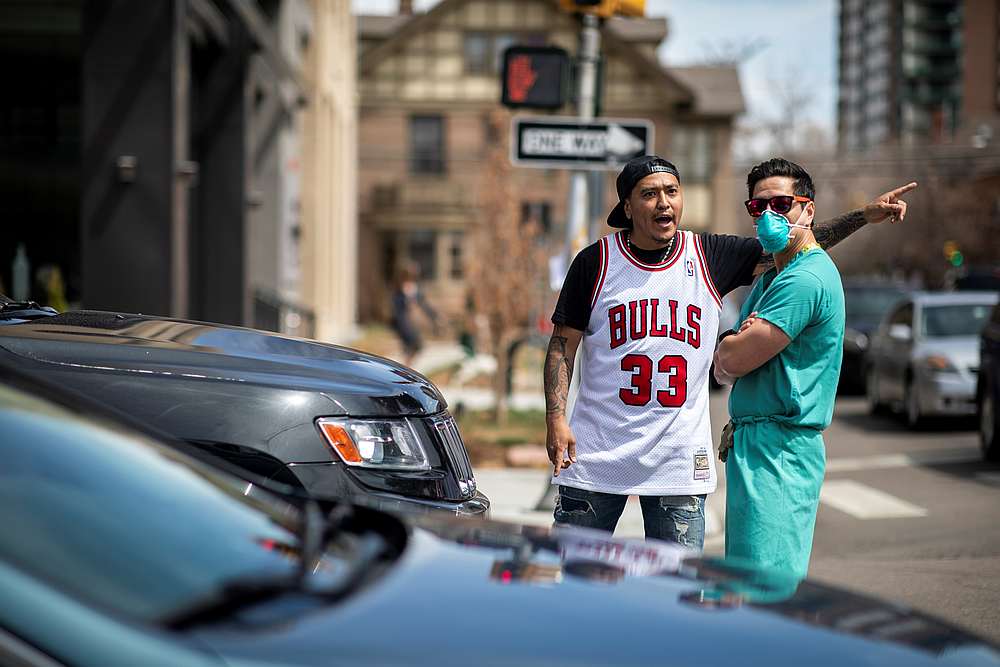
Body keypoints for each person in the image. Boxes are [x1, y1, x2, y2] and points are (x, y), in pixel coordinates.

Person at [544, 154, 915, 549]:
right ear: (628, 207)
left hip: (677, 462)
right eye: (649, 195)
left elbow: (798, 237)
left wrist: (864, 215)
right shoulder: (596, 262)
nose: (664, 203)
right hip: (598, 456)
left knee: (676, 595)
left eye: (672, 191)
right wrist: (555, 418)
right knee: (572, 584)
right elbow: (561, 347)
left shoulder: (708, 255)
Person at [713, 158, 914, 578]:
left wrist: (731, 345)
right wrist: (733, 344)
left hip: (779, 453)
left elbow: (731, 360)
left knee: (764, 593)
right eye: (758, 207)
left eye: (781, 204)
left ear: (808, 209)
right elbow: (727, 363)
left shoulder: (804, 279)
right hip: (756, 447)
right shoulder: (772, 276)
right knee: (745, 587)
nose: (769, 216)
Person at [390, 262, 438, 366]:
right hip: (401, 320)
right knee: (409, 346)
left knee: (417, 346)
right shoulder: (399, 288)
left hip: (410, 321)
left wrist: (434, 316)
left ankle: (407, 367)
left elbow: (424, 305)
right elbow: (396, 304)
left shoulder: (415, 288)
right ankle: (405, 369)